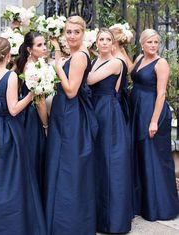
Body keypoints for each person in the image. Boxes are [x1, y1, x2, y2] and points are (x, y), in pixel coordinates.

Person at [0, 37, 46, 235]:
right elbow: (13, 109)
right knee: (11, 179)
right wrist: (31, 94)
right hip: (8, 132)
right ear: (8, 54)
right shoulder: (10, 76)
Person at [45, 16, 98, 235]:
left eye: (76, 32)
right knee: (60, 162)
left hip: (71, 114)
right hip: (63, 112)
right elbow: (63, 62)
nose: (72, 36)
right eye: (68, 32)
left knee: (69, 166)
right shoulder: (73, 54)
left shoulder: (80, 57)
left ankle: (69, 223)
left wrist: (57, 67)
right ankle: (58, 219)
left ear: (83, 33)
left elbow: (70, 90)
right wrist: (57, 49)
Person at [130, 28, 179, 221]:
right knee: (141, 155)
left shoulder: (161, 63)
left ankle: (161, 206)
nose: (153, 45)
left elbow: (161, 94)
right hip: (137, 109)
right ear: (142, 44)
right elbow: (128, 72)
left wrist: (153, 121)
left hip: (152, 111)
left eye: (156, 42)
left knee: (154, 157)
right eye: (149, 42)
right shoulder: (139, 59)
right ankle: (144, 203)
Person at [87, 28, 132, 234]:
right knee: (96, 161)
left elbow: (88, 80)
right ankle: (96, 216)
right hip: (94, 108)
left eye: (107, 39)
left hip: (108, 112)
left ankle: (112, 220)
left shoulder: (116, 62)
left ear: (113, 43)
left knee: (110, 161)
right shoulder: (94, 60)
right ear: (96, 42)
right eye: (100, 39)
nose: (104, 42)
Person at [13, 31, 48, 192]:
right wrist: (46, 125)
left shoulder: (23, 63)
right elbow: (40, 102)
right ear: (29, 49)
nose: (44, 48)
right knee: (35, 155)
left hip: (22, 114)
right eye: (39, 45)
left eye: (44, 44)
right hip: (33, 116)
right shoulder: (33, 69)